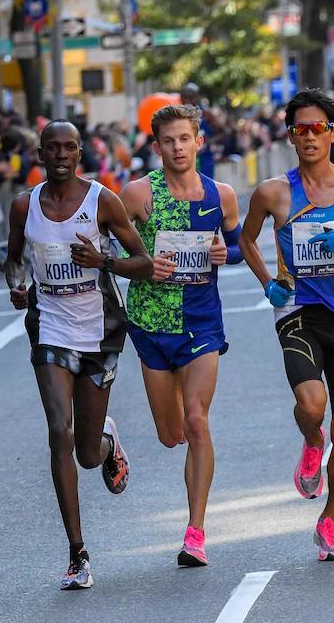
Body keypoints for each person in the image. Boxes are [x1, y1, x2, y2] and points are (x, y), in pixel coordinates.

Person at [238, 88, 334, 561]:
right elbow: (246, 241)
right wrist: (268, 283)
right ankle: (311, 439)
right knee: (313, 403)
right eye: (300, 129)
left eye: (318, 128)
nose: (309, 136)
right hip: (298, 313)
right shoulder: (273, 193)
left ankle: (329, 520)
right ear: (290, 136)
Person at [4, 121, 154, 589]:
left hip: (101, 332)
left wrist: (103, 262)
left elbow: (145, 265)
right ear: (41, 154)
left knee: (87, 454)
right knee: (58, 431)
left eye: (70, 147)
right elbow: (13, 259)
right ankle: (78, 554)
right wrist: (18, 285)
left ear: (80, 152)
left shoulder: (102, 202)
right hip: (50, 327)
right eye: (53, 148)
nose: (62, 155)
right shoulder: (25, 205)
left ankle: (107, 441)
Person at [119, 104, 242, 567]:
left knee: (196, 421)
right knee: (171, 435)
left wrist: (221, 251)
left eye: (184, 138)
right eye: (168, 141)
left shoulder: (221, 194)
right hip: (151, 323)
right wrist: (141, 265)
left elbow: (235, 245)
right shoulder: (137, 195)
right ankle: (109, 440)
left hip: (201, 321)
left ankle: (195, 532)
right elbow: (105, 243)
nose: (177, 147)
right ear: (156, 147)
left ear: (199, 142)